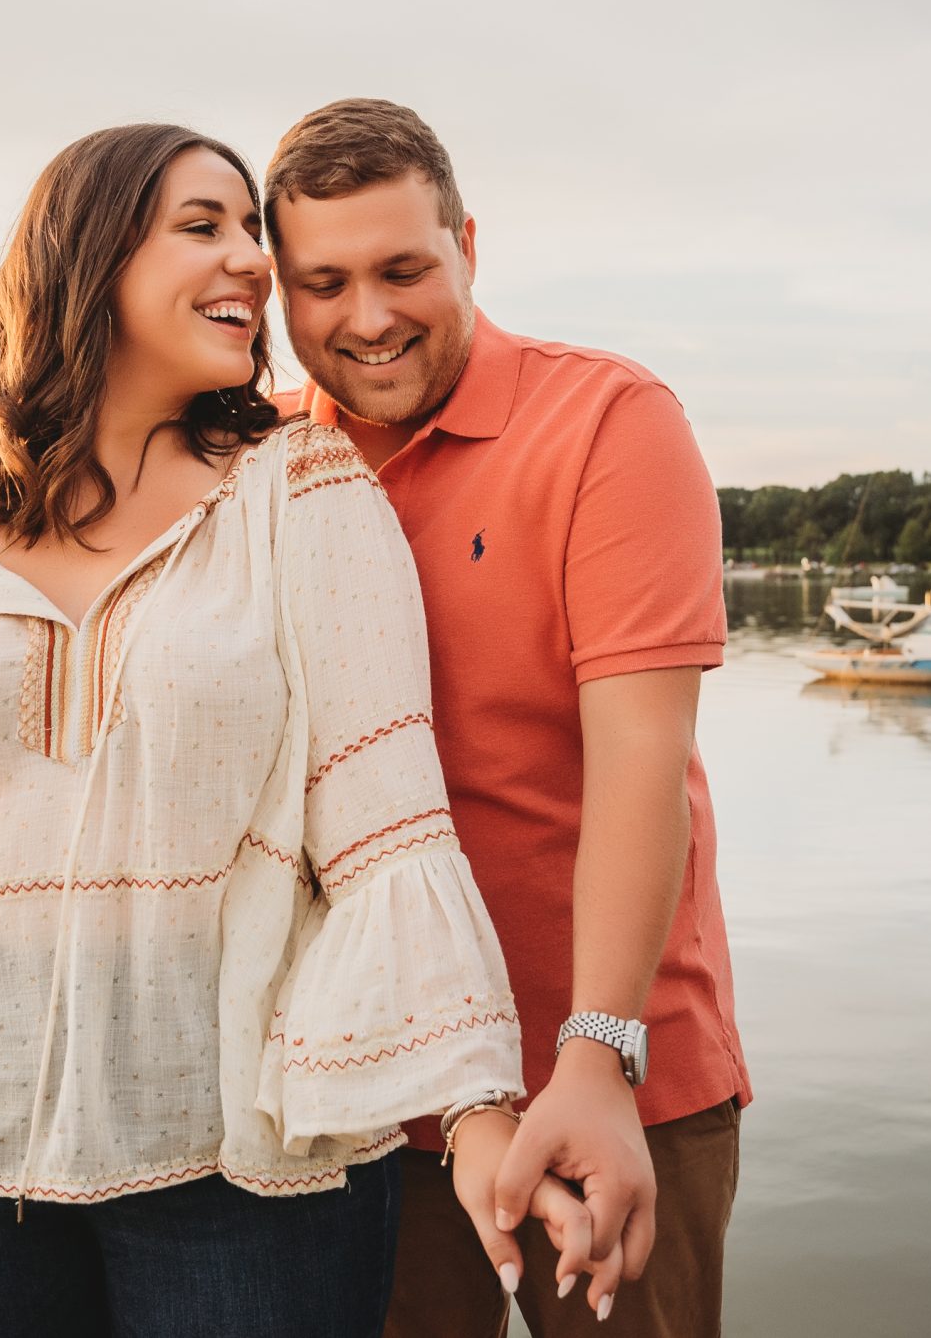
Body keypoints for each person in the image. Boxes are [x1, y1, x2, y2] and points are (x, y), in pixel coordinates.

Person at [0, 123, 593, 1338]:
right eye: (202, 226)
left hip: (234, 1150)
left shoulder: (304, 488)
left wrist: (477, 1112)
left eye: (250, 235)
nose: (252, 264)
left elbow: (384, 815)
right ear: (89, 253)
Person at [264, 99, 750, 1337]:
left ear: (467, 243)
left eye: (402, 268)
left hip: (606, 1067)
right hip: (366, 1084)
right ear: (276, 286)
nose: (366, 316)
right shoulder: (258, 455)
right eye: (322, 281)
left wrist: (596, 1052)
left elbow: (640, 759)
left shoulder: (606, 423)